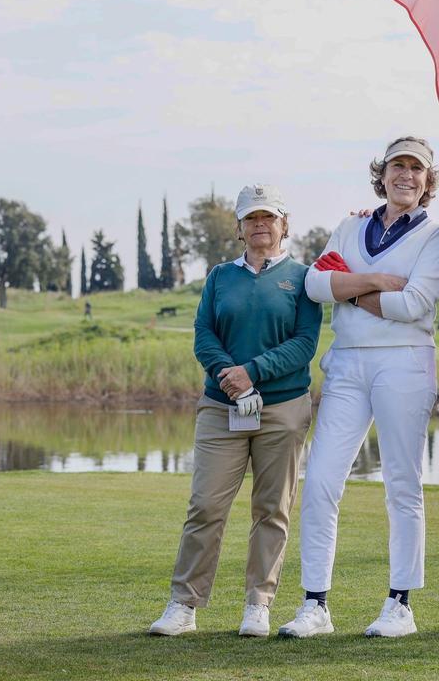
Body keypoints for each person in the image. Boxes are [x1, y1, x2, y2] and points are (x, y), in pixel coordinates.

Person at [277, 136, 439, 640]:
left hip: (404, 364)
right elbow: (314, 285)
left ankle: (400, 604)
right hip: (348, 364)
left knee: (403, 484)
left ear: (427, 180)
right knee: (321, 482)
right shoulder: (351, 225)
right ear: (383, 173)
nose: (406, 176)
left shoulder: (438, 237)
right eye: (398, 166)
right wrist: (375, 279)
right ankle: (315, 605)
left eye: (416, 169)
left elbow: (415, 304)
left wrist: (348, 287)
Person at [149, 184, 321, 639]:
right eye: (250, 219)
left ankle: (258, 604)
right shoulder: (220, 276)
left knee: (272, 509)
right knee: (205, 505)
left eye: (268, 217)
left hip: (282, 408)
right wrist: (229, 372)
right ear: (239, 228)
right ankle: (184, 604)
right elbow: (204, 332)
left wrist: (253, 371)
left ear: (284, 223)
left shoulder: (303, 277)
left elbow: (305, 342)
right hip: (221, 407)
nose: (259, 225)